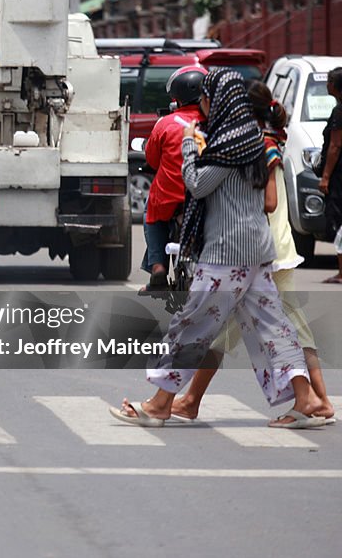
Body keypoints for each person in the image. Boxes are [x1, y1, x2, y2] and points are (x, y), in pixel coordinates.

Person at [109, 68, 325, 430]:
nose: (203, 106)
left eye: (206, 98)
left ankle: (160, 404)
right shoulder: (256, 138)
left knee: (192, 325)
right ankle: (306, 401)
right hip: (256, 249)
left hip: (227, 252)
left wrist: (191, 146)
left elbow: (196, 185)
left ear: (218, 101)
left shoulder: (226, 142)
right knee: (274, 328)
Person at [170, 81, 334, 423]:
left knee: (246, 330)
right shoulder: (258, 142)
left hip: (259, 254)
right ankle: (314, 400)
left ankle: (318, 401)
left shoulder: (259, 145)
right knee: (254, 330)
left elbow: (266, 200)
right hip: (261, 253)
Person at [140, 65, 207, 289]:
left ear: (177, 97)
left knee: (151, 210)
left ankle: (158, 266)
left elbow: (152, 160)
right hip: (205, 195)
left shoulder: (165, 124)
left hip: (169, 198)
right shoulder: (214, 123)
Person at [317, 66, 342, 284]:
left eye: (328, 81)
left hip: (339, 176)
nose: (327, 85)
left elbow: (335, 146)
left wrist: (325, 177)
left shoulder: (339, 112)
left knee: (337, 219)